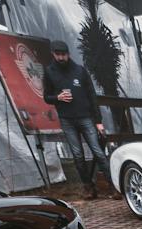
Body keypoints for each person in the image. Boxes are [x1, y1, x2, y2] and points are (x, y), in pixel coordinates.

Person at [42, 41, 109, 198]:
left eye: (63, 54)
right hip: (67, 120)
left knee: (98, 152)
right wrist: (57, 97)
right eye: (58, 55)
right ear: (53, 54)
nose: (61, 58)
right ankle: (88, 187)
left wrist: (98, 121)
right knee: (77, 155)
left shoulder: (80, 70)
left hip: (86, 117)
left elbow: (92, 96)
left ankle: (113, 185)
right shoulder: (49, 72)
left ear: (68, 54)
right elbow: (46, 97)